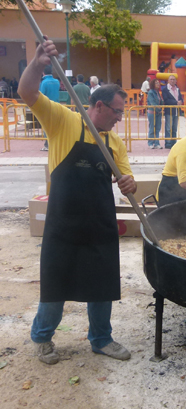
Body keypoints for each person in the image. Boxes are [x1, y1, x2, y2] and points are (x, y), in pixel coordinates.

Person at [19, 38, 136, 365]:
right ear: (98, 106)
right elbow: (28, 93)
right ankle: (42, 338)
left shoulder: (115, 142)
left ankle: (101, 339)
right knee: (55, 287)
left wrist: (130, 182)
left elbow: (128, 182)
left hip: (99, 224)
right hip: (63, 224)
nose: (119, 119)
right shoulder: (64, 120)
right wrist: (39, 62)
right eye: (117, 112)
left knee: (101, 287)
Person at [38, 64, 60, 151]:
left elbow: (41, 95)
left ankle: (47, 144)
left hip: (47, 107)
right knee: (55, 125)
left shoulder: (43, 82)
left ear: (43, 72)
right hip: (57, 106)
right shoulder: (57, 81)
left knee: (46, 126)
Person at [162, 75, 183, 149]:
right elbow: (166, 100)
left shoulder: (177, 89)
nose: (172, 81)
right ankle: (168, 143)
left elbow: (180, 97)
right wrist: (176, 102)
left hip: (176, 111)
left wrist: (181, 101)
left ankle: (174, 142)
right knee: (168, 128)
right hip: (169, 111)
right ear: (168, 80)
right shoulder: (165, 89)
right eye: (171, 79)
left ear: (176, 81)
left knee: (174, 128)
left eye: (174, 79)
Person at [147, 78, 163, 149]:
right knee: (152, 127)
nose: (158, 84)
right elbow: (152, 103)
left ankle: (157, 143)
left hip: (158, 113)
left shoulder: (158, 92)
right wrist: (159, 109)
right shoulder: (151, 92)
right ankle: (150, 143)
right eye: (156, 83)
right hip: (152, 112)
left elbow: (160, 102)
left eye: (158, 83)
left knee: (157, 128)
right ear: (153, 84)